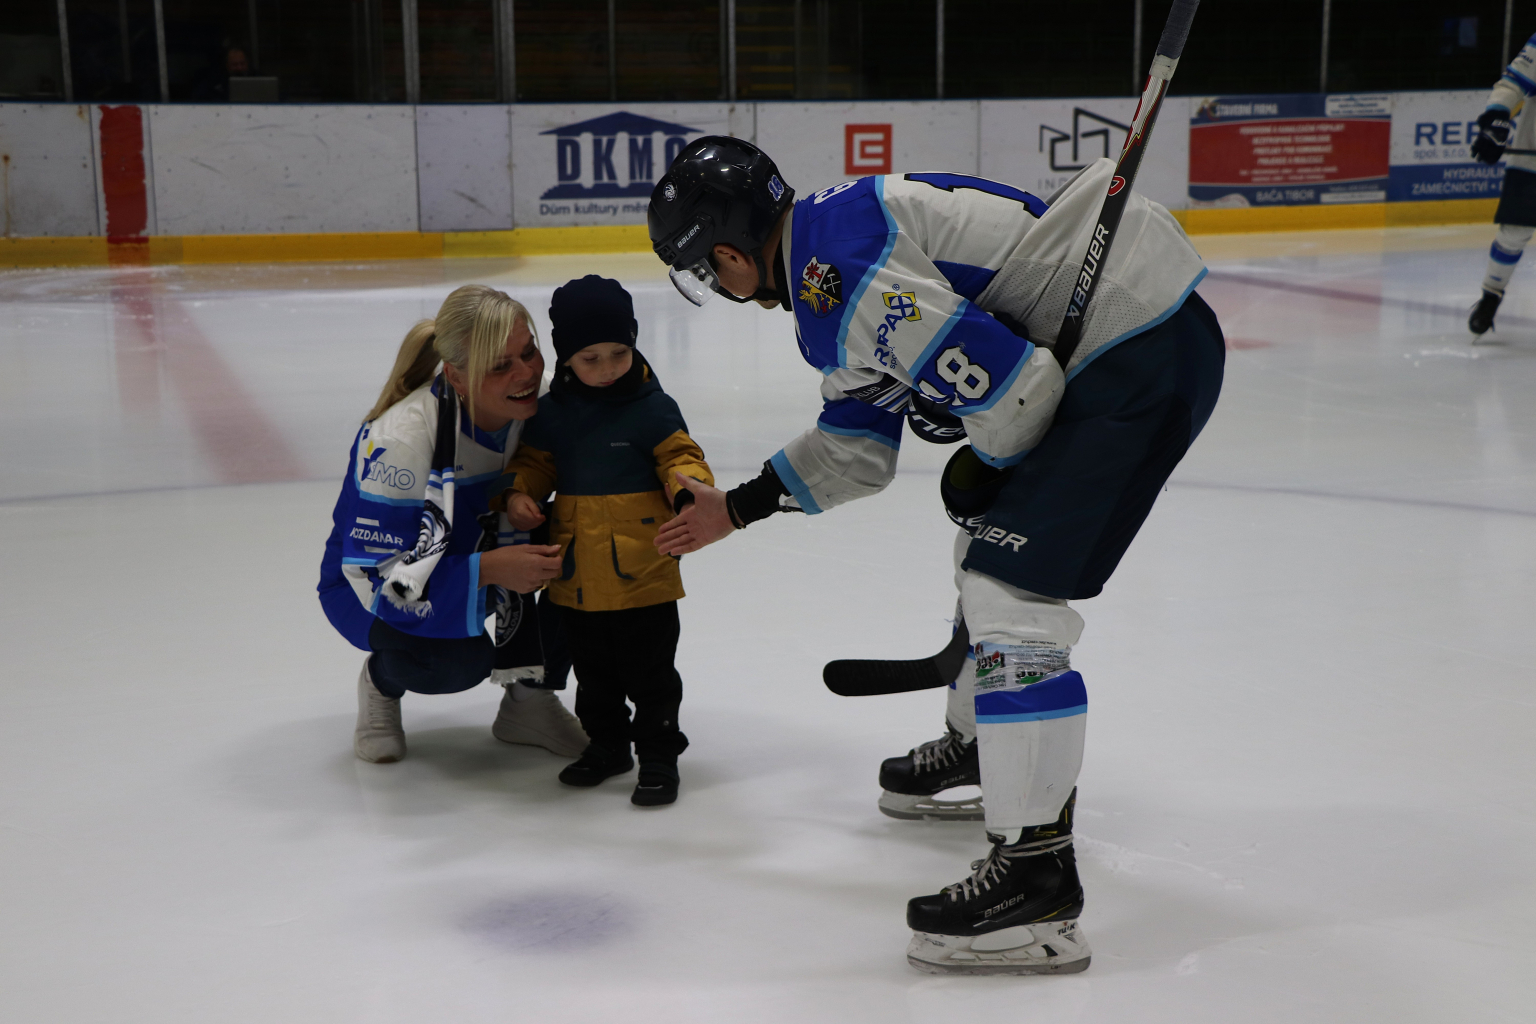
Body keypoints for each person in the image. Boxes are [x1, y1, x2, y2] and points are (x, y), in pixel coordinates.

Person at [646, 137, 1224, 974]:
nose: (720, 286)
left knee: (1009, 593)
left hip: (1137, 347)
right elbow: (856, 449)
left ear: (730, 255)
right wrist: (736, 509)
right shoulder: (824, 255)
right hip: (1127, 339)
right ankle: (985, 744)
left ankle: (1037, 884)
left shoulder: (838, 277)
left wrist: (984, 462)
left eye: (708, 272)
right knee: (984, 555)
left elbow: (1020, 396)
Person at [317, 284, 588, 765]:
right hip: (371, 588)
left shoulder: (541, 409)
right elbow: (375, 574)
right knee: (454, 663)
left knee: (591, 544)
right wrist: (486, 571)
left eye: (529, 353)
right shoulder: (401, 439)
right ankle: (382, 680)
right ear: (457, 378)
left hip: (481, 556)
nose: (526, 373)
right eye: (501, 366)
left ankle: (528, 701)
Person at [490, 276, 713, 807]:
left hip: (645, 573)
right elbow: (533, 465)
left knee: (652, 675)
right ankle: (609, 746)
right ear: (565, 357)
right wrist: (519, 495)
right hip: (577, 577)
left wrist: (688, 493)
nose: (608, 367)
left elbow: (680, 456)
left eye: (619, 352)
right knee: (594, 677)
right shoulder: (553, 414)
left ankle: (658, 756)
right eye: (590, 358)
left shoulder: (652, 408)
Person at [1469, 31, 1536, 335]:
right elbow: (1513, 83)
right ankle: (1491, 294)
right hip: (1533, 160)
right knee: (1514, 233)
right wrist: (1497, 119)